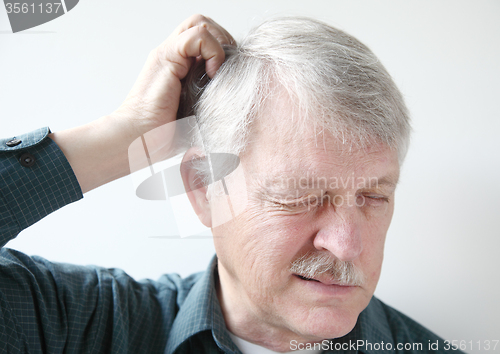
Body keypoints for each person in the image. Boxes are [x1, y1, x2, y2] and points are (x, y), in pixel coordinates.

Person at [0, 14, 462, 353]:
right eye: (300, 195)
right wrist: (129, 130)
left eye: (373, 196)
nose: (346, 244)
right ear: (205, 189)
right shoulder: (84, 326)